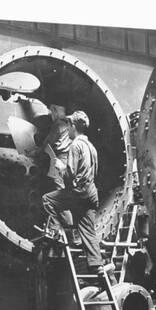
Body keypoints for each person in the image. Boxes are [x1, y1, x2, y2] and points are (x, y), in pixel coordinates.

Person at [42, 110, 104, 274]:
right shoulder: (91, 147)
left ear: (72, 126)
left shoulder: (75, 145)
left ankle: (55, 232)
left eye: (68, 125)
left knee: (48, 200)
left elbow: (70, 174)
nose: (67, 129)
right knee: (88, 229)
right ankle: (97, 265)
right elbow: (95, 172)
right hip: (91, 193)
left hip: (78, 193)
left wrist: (60, 168)